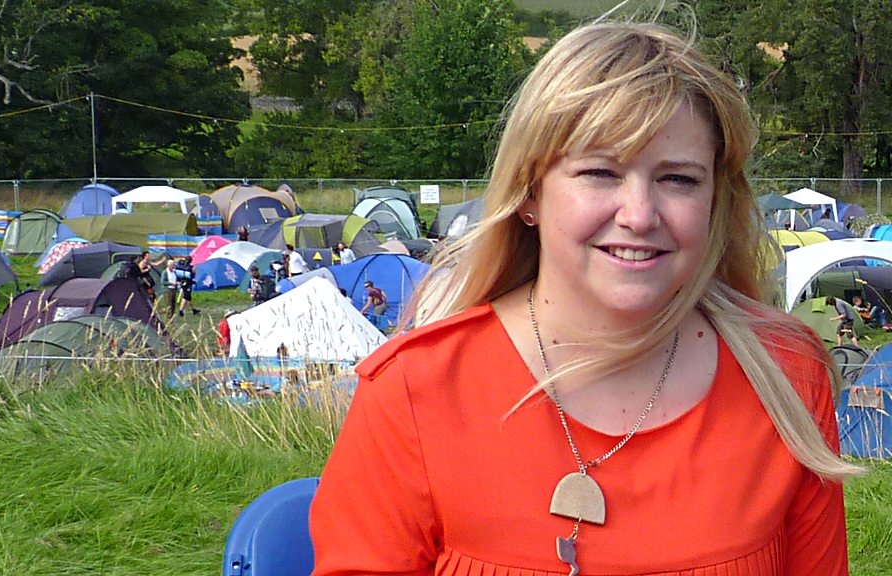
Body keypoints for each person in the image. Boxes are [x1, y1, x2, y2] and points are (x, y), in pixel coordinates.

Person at [310, 21, 860, 576]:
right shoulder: (413, 393)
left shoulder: (787, 374)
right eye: (599, 172)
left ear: (716, 201)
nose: (639, 215)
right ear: (529, 193)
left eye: (678, 179)